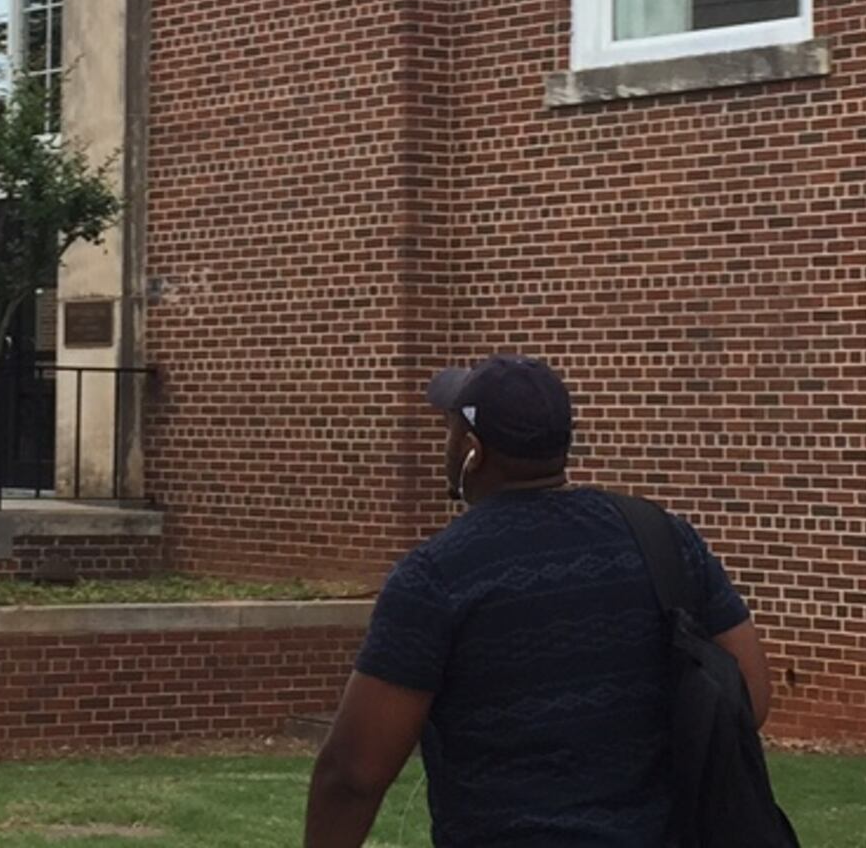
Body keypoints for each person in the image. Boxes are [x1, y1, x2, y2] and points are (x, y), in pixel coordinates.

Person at [306, 355, 774, 848]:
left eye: (449, 431)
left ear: (472, 451)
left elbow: (353, 774)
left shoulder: (437, 577)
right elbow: (751, 700)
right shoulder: (663, 538)